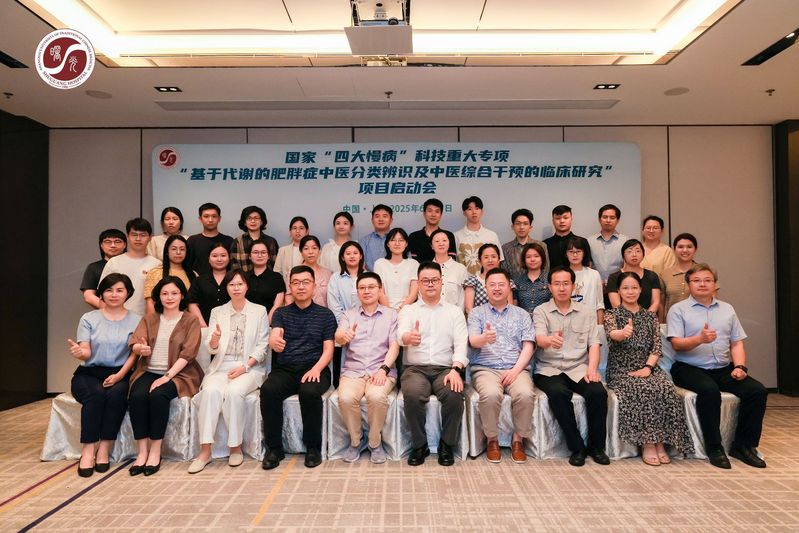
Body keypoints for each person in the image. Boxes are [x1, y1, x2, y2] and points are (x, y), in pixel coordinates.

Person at [667, 263, 767, 469]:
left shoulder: (727, 309)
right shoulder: (678, 310)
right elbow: (676, 344)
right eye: (696, 280)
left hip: (722, 367)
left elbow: (736, 343)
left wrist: (740, 367)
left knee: (757, 391)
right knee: (709, 391)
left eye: (708, 280)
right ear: (688, 285)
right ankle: (714, 447)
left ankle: (743, 446)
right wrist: (699, 339)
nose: (702, 284)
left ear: (715, 284)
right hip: (688, 367)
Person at [604, 272, 693, 466]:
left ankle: (661, 442)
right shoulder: (611, 315)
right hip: (622, 369)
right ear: (618, 291)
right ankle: (648, 444)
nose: (630, 291)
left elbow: (656, 348)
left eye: (634, 287)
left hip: (649, 367)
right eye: (625, 288)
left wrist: (647, 368)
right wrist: (623, 333)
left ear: (641, 290)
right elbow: (613, 334)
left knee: (665, 388)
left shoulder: (650, 316)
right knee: (642, 388)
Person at [188, 270, 269, 473]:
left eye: (239, 284)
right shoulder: (217, 311)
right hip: (221, 366)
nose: (236, 288)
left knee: (234, 392)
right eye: (231, 285)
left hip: (249, 367)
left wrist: (245, 367)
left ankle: (235, 447)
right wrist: (214, 341)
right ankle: (205, 451)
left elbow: (262, 346)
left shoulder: (259, 311)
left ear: (246, 286)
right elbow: (211, 347)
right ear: (226, 288)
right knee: (210, 392)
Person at [260, 265, 337, 470]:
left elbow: (328, 349)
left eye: (305, 282)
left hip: (316, 367)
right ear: (290, 287)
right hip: (286, 369)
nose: (301, 287)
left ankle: (313, 448)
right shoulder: (281, 313)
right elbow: (275, 335)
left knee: (309, 392)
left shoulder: (325, 315)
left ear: (314, 286)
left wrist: (316, 369)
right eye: (296, 283)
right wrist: (274, 341)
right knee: (268, 390)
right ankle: (274, 449)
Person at [532, 267, 609, 467]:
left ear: (573, 286)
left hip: (578, 367)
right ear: (549, 287)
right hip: (549, 369)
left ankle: (597, 447)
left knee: (598, 393)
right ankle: (577, 447)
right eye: (557, 284)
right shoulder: (541, 311)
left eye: (566, 283)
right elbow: (539, 339)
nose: (561, 288)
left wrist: (592, 369)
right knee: (558, 393)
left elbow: (594, 344)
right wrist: (549, 340)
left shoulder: (587, 312)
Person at [128, 276, 204, 476]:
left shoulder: (190, 320)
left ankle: (155, 451)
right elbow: (135, 343)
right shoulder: (149, 318)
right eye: (165, 293)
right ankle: (142, 452)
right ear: (158, 296)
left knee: (158, 396)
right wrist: (140, 348)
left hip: (180, 373)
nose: (169, 297)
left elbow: (188, 354)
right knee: (137, 396)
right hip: (148, 370)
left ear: (182, 296)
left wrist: (167, 376)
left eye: (174, 293)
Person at [68, 273, 140, 477]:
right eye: (109, 290)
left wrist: (119, 376)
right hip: (89, 372)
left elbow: (134, 356)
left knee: (117, 396)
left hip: (121, 372)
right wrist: (80, 353)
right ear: (101, 293)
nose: (114, 295)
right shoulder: (89, 318)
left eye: (119, 290)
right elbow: (86, 351)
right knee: (96, 395)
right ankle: (88, 450)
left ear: (128, 293)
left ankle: (104, 449)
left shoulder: (137, 320)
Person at [398, 262, 468, 467]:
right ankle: (420, 445)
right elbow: (400, 335)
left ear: (441, 282)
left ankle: (447, 444)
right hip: (415, 369)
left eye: (434, 280)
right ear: (418, 284)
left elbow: (461, 343)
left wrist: (456, 369)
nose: (430, 284)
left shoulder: (454, 312)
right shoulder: (408, 310)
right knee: (412, 394)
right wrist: (408, 338)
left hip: (445, 369)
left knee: (454, 394)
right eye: (425, 280)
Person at [467, 268, 536, 464]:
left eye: (501, 284)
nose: (497, 288)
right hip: (485, 368)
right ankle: (492, 440)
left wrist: (515, 371)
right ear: (486, 288)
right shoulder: (477, 313)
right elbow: (473, 341)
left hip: (516, 368)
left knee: (525, 394)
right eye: (492, 285)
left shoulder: (522, 314)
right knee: (490, 394)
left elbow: (528, 345)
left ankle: (518, 440)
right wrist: (484, 338)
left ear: (509, 287)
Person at [335, 272, 400, 464]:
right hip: (353, 371)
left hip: (381, 370)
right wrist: (343, 337)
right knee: (346, 397)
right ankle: (356, 441)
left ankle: (374, 442)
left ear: (380, 290)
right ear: (357, 292)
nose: (366, 291)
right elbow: (339, 335)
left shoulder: (391, 315)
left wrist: (384, 369)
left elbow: (394, 346)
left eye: (371, 287)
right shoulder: (349, 314)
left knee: (377, 397)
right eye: (362, 288)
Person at [100, 218, 161, 316]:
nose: (138, 239)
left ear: (150, 238)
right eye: (134, 234)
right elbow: (102, 296)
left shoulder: (156, 264)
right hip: (116, 319)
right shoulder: (114, 262)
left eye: (143, 235)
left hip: (145, 319)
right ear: (128, 236)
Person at [328, 241, 366, 386]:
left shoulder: (368, 276)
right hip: (342, 328)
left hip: (365, 328)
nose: (352, 256)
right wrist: (345, 327)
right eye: (348, 253)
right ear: (342, 257)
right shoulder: (335, 278)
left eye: (355, 253)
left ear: (361, 256)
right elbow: (334, 305)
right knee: (342, 369)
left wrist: (361, 326)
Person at [662, 233, 713, 315]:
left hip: (700, 319)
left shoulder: (705, 272)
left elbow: (713, 299)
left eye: (689, 247)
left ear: (695, 249)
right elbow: (661, 303)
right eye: (680, 247)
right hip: (672, 319)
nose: (685, 250)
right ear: (674, 249)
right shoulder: (665, 274)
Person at [606, 239, 661, 315]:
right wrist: (629, 319)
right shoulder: (614, 277)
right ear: (623, 255)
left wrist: (645, 318)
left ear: (643, 255)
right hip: (621, 319)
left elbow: (655, 302)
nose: (634, 254)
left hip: (647, 319)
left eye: (638, 251)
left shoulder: (652, 276)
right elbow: (615, 304)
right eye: (629, 251)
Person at [143, 235, 195, 315]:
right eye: (174, 249)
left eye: (182, 249)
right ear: (167, 252)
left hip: (188, 320)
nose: (178, 252)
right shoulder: (155, 273)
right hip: (161, 319)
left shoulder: (193, 274)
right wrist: (153, 321)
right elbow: (150, 303)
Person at [454, 196, 503, 275]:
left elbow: (498, 262)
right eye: (469, 209)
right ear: (464, 213)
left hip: (488, 280)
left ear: (482, 211)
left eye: (477, 208)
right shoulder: (456, 236)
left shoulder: (492, 235)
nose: (474, 212)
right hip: (463, 280)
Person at [374, 227, 419, 312]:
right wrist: (390, 312)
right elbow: (380, 292)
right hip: (385, 310)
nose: (397, 243)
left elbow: (413, 294)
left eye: (401, 240)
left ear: (406, 244)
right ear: (388, 244)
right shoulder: (380, 263)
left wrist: (400, 310)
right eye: (393, 240)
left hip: (408, 311)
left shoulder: (413, 264)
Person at [188, 243, 231, 327]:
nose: (219, 259)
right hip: (205, 327)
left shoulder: (236, 279)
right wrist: (204, 327)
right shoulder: (199, 281)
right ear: (209, 259)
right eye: (214, 256)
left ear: (229, 258)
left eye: (223, 255)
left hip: (232, 328)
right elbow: (192, 304)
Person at [81, 229, 126, 309]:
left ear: (125, 245)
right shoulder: (94, 267)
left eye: (117, 241)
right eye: (108, 242)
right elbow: (89, 296)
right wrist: (112, 310)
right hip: (105, 313)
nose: (113, 245)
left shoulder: (133, 264)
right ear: (101, 245)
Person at [464, 243, 513, 315]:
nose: (490, 260)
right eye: (486, 257)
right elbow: (469, 309)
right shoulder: (472, 281)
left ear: (499, 259)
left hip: (504, 320)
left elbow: (510, 307)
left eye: (493, 256)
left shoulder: (507, 281)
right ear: (480, 261)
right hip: (479, 320)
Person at [244, 239, 286, 323]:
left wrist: (265, 324)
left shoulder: (277, 278)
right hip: (245, 322)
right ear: (249, 256)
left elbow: (277, 305)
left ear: (268, 256)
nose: (260, 255)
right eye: (255, 252)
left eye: (263, 252)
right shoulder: (243, 277)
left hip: (269, 323)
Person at [187, 203, 233, 277]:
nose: (210, 220)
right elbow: (186, 264)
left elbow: (232, 266)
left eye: (214, 216)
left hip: (224, 282)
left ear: (219, 219)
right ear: (200, 219)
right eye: (206, 216)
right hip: (197, 281)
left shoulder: (229, 241)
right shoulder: (192, 240)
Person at [501, 208, 548, 280]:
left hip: (538, 285)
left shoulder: (541, 245)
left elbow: (546, 269)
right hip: (513, 286)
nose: (521, 227)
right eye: (518, 223)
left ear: (530, 227)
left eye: (525, 224)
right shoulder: (505, 248)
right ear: (512, 227)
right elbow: (504, 273)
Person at [565, 237, 604, 324]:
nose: (575, 255)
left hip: (590, 322)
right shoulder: (561, 274)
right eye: (571, 251)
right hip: (567, 321)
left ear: (584, 253)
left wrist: (600, 326)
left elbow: (599, 304)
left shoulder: (594, 274)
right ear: (566, 254)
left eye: (578, 251)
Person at [588, 204, 630, 283]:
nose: (608, 220)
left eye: (612, 217)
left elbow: (628, 266)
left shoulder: (625, 241)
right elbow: (587, 267)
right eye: (605, 217)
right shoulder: (589, 241)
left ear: (618, 220)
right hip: (595, 284)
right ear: (599, 219)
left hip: (618, 285)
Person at [229, 206, 279, 272]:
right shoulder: (238, 241)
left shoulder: (271, 241)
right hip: (245, 278)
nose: (253, 221)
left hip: (268, 278)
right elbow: (235, 267)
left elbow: (276, 265)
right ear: (244, 222)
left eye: (256, 218)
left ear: (261, 222)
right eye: (249, 218)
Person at [543, 205, 593, 270]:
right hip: (551, 276)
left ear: (571, 219)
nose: (562, 221)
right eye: (558, 218)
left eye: (565, 218)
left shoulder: (582, 241)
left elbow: (588, 264)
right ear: (553, 221)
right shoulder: (545, 244)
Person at [287, 235, 332, 307]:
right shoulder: (294, 272)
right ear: (301, 251)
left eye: (314, 248)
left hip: (323, 312)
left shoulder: (328, 273)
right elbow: (289, 296)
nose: (310, 252)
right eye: (306, 248)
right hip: (299, 313)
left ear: (319, 251)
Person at [408, 198, 456, 262]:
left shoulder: (448, 235)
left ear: (441, 215)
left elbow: (452, 260)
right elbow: (413, 262)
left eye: (437, 211)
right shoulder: (414, 236)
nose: (433, 215)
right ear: (424, 214)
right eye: (430, 211)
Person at [431, 229, 468, 310]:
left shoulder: (460, 269)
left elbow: (463, 296)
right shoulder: (426, 269)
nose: (441, 243)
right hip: (430, 314)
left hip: (454, 315)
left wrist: (458, 315)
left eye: (444, 240)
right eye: (437, 241)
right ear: (432, 246)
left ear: (449, 244)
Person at [513, 242, 551, 318]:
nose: (532, 259)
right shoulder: (518, 280)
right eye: (528, 257)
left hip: (545, 320)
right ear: (524, 260)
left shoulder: (550, 279)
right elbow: (514, 306)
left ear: (542, 258)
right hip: (523, 320)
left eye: (536, 256)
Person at [274, 216, 309, 281]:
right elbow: (277, 273)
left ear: (307, 231)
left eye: (301, 228)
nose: (297, 231)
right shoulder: (283, 250)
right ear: (290, 231)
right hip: (287, 286)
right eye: (294, 228)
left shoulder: (314, 251)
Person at [360, 204, 393, 271]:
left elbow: (406, 262)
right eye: (377, 216)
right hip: (370, 276)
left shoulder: (399, 240)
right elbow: (360, 264)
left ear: (391, 220)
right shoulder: (364, 241)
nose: (381, 219)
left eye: (385, 216)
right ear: (372, 220)